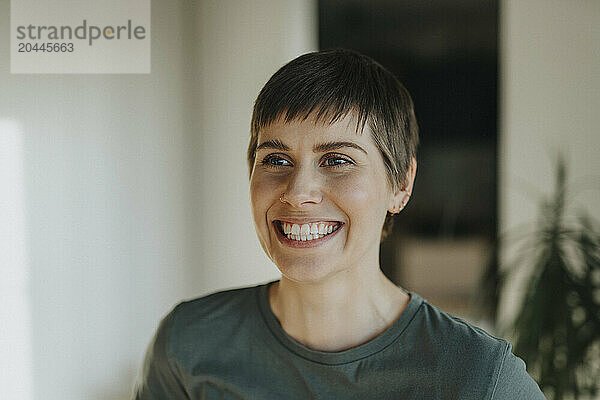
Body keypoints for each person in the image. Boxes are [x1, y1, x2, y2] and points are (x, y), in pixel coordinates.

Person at [133, 49, 546, 399]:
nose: (298, 192)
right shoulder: (187, 343)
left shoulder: (480, 378)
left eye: (337, 161)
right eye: (276, 160)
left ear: (401, 184)